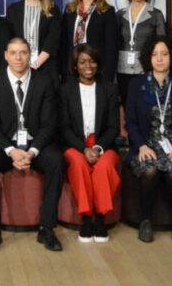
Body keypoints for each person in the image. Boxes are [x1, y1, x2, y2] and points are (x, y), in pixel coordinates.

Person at [0, 37, 64, 252]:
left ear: (30, 55)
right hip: (6, 145)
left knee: (56, 159)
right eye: (13, 53)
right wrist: (11, 151)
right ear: (5, 56)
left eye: (23, 52)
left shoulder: (44, 82)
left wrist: (32, 151)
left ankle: (47, 228)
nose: (18, 58)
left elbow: (50, 124)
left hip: (36, 145)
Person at [126, 36, 172, 243]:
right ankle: (145, 221)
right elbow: (131, 122)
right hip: (146, 145)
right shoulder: (137, 84)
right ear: (148, 58)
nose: (160, 59)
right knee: (150, 171)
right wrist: (141, 146)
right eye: (155, 54)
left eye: (164, 54)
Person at [60, 44, 121, 244]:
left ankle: (100, 219)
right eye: (83, 62)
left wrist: (97, 147)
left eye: (93, 61)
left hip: (103, 144)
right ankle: (87, 219)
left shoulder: (109, 89)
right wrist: (83, 148)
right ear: (75, 66)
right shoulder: (65, 90)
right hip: (75, 144)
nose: (88, 66)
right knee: (78, 164)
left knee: (105, 166)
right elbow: (64, 127)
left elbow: (113, 127)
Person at [116, 0, 166, 102]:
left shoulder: (156, 15)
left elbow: (162, 45)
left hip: (147, 70)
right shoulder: (119, 15)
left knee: (145, 107)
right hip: (122, 71)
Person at [61, 0, 118, 83]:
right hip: (72, 71)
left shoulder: (107, 11)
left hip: (96, 72)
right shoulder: (70, 10)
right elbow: (64, 44)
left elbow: (111, 47)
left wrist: (107, 77)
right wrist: (62, 71)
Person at [6, 0, 60, 79]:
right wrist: (21, 65)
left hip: (45, 68)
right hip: (19, 68)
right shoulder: (13, 9)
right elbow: (10, 39)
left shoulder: (52, 9)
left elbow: (53, 40)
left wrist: (35, 65)